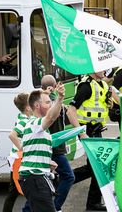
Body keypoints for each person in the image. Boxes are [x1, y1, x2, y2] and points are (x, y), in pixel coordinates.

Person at [69, 71, 115, 210]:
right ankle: (92, 203)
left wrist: (110, 104)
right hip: (87, 131)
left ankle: (62, 180)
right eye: (102, 68)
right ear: (94, 70)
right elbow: (70, 111)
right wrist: (81, 133)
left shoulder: (103, 85)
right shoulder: (86, 86)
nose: (106, 71)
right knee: (98, 167)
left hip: (97, 130)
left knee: (93, 167)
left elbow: (101, 106)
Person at [19, 84, 67, 212]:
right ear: (37, 106)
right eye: (47, 102)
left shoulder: (37, 126)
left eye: (51, 102)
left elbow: (28, 150)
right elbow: (51, 117)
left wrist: (46, 162)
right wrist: (60, 98)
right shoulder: (35, 123)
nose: (50, 105)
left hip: (34, 177)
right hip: (34, 178)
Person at [40, 75, 82, 211]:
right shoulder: (50, 103)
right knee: (68, 177)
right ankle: (55, 207)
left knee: (44, 181)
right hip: (54, 148)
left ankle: (38, 207)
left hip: (51, 147)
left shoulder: (47, 102)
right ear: (50, 88)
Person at [3, 93, 33, 212]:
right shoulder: (24, 121)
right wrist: (22, 148)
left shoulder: (22, 116)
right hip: (18, 160)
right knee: (19, 191)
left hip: (16, 159)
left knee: (14, 192)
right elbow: (12, 135)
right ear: (27, 108)